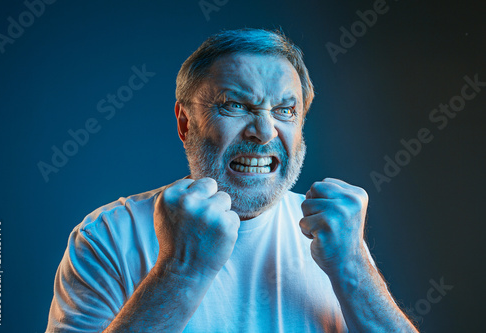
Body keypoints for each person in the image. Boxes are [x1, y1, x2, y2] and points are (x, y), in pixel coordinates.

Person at [46, 28, 418, 332]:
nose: (264, 131)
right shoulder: (107, 237)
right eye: (236, 105)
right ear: (185, 123)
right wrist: (179, 272)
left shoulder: (336, 238)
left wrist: (353, 265)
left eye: (285, 110)